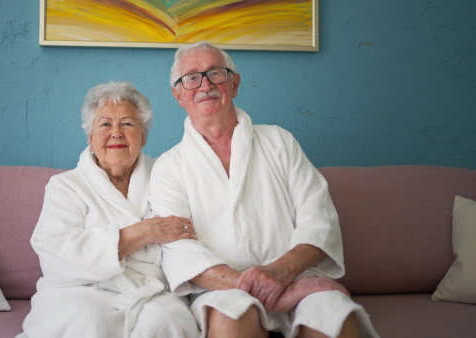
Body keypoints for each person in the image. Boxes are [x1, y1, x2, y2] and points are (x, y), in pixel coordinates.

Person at [149, 42, 379, 338]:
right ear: (178, 95)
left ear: (234, 83)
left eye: (215, 73)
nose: (205, 85)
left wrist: (282, 276)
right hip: (220, 290)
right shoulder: (169, 167)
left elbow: (318, 218)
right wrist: (261, 288)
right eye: (191, 78)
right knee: (230, 319)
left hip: (295, 276)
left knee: (333, 316)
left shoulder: (279, 142)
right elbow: (180, 250)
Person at [18, 81, 199, 338]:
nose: (116, 133)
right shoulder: (66, 187)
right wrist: (143, 231)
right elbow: (56, 256)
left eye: (127, 123)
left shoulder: (166, 176)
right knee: (88, 324)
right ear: (91, 138)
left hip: (152, 292)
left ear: (143, 135)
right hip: (80, 291)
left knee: (167, 323)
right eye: (105, 124)